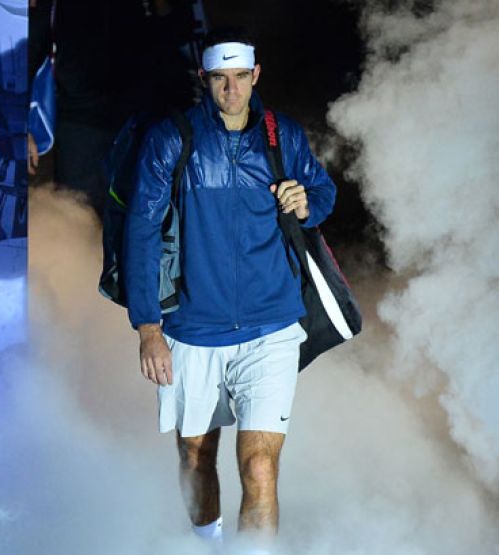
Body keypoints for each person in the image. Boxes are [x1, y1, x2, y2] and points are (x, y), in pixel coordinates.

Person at [122, 27, 337, 552]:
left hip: (272, 326)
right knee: (196, 455)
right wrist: (148, 326)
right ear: (205, 79)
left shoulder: (281, 134)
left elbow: (322, 191)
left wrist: (307, 203)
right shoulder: (171, 139)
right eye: (221, 78)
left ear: (256, 76)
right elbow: (141, 233)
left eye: (241, 77)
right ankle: (206, 545)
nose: (232, 89)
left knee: (260, 464)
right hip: (192, 330)